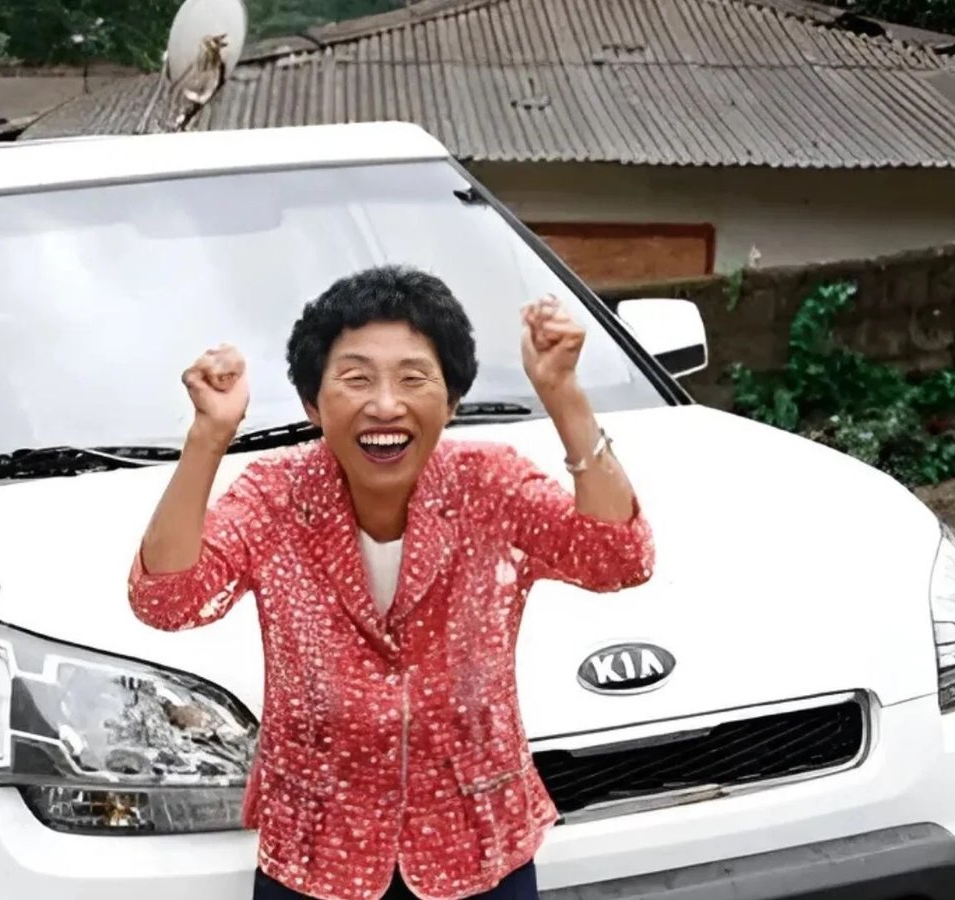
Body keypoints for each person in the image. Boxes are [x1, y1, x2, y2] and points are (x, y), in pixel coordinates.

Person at [126, 265, 656, 900]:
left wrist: (563, 394)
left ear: (451, 401)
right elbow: (167, 599)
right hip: (315, 856)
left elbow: (617, 557)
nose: (384, 405)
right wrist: (208, 437)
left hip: (478, 847)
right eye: (356, 379)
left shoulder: (489, 483)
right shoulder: (275, 495)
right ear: (313, 404)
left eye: (413, 378)